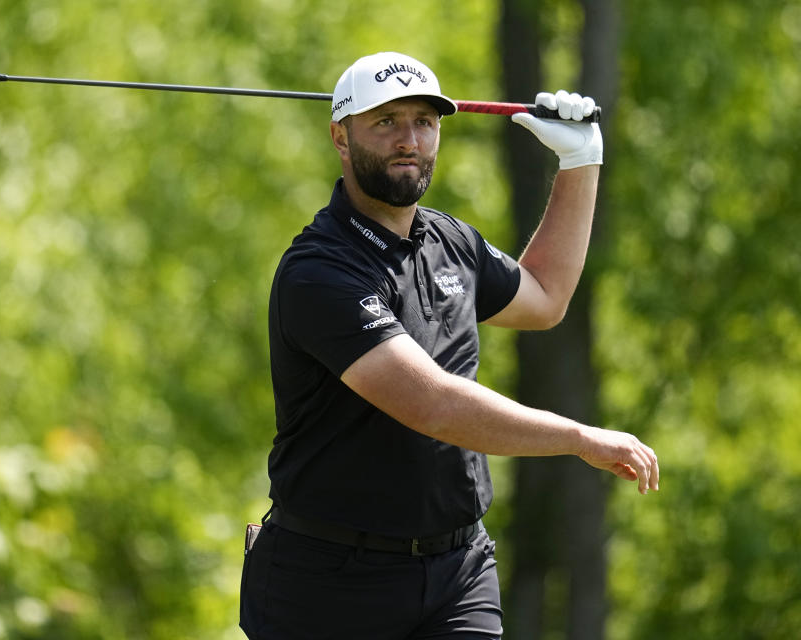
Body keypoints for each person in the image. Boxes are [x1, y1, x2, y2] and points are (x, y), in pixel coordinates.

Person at [239, 52, 658, 640]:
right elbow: (435, 406)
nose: (409, 140)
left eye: (425, 122)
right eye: (385, 122)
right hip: (329, 582)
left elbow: (545, 296)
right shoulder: (319, 270)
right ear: (340, 135)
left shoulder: (449, 241)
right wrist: (579, 437)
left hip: (458, 573)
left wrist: (580, 161)